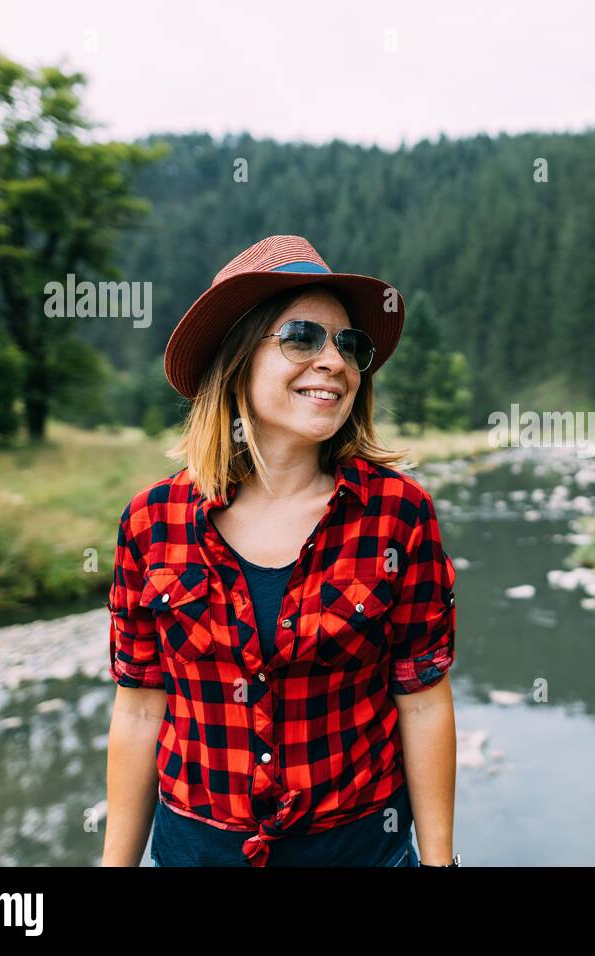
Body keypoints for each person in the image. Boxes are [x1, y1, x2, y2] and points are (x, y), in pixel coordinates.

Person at [101, 235, 461, 867]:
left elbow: (424, 700)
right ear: (235, 359)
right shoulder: (151, 522)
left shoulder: (399, 515)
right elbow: (137, 711)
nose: (335, 361)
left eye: (350, 344)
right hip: (191, 855)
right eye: (302, 337)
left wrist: (441, 865)